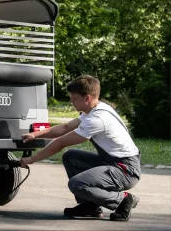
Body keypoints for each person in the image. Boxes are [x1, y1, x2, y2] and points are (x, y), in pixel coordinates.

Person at [20, 75, 141, 221]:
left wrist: (32, 159)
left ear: (87, 98)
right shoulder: (95, 109)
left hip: (125, 170)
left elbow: (60, 143)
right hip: (113, 162)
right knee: (71, 157)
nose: (71, 101)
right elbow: (65, 127)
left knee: (77, 184)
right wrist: (35, 134)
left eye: (74, 98)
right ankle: (90, 206)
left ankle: (123, 200)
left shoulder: (97, 119)